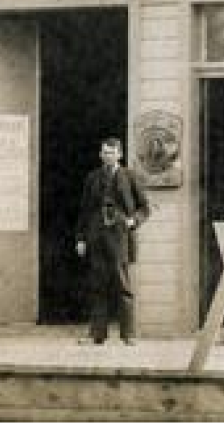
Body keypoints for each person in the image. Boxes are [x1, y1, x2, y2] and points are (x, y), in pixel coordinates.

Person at [75, 137, 151, 345]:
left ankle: (128, 335)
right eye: (104, 152)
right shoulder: (93, 178)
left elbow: (145, 208)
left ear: (119, 154)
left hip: (120, 237)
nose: (107, 156)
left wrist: (132, 221)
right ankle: (98, 335)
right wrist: (81, 238)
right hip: (96, 237)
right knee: (98, 285)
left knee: (122, 285)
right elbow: (84, 211)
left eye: (111, 152)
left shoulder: (129, 176)